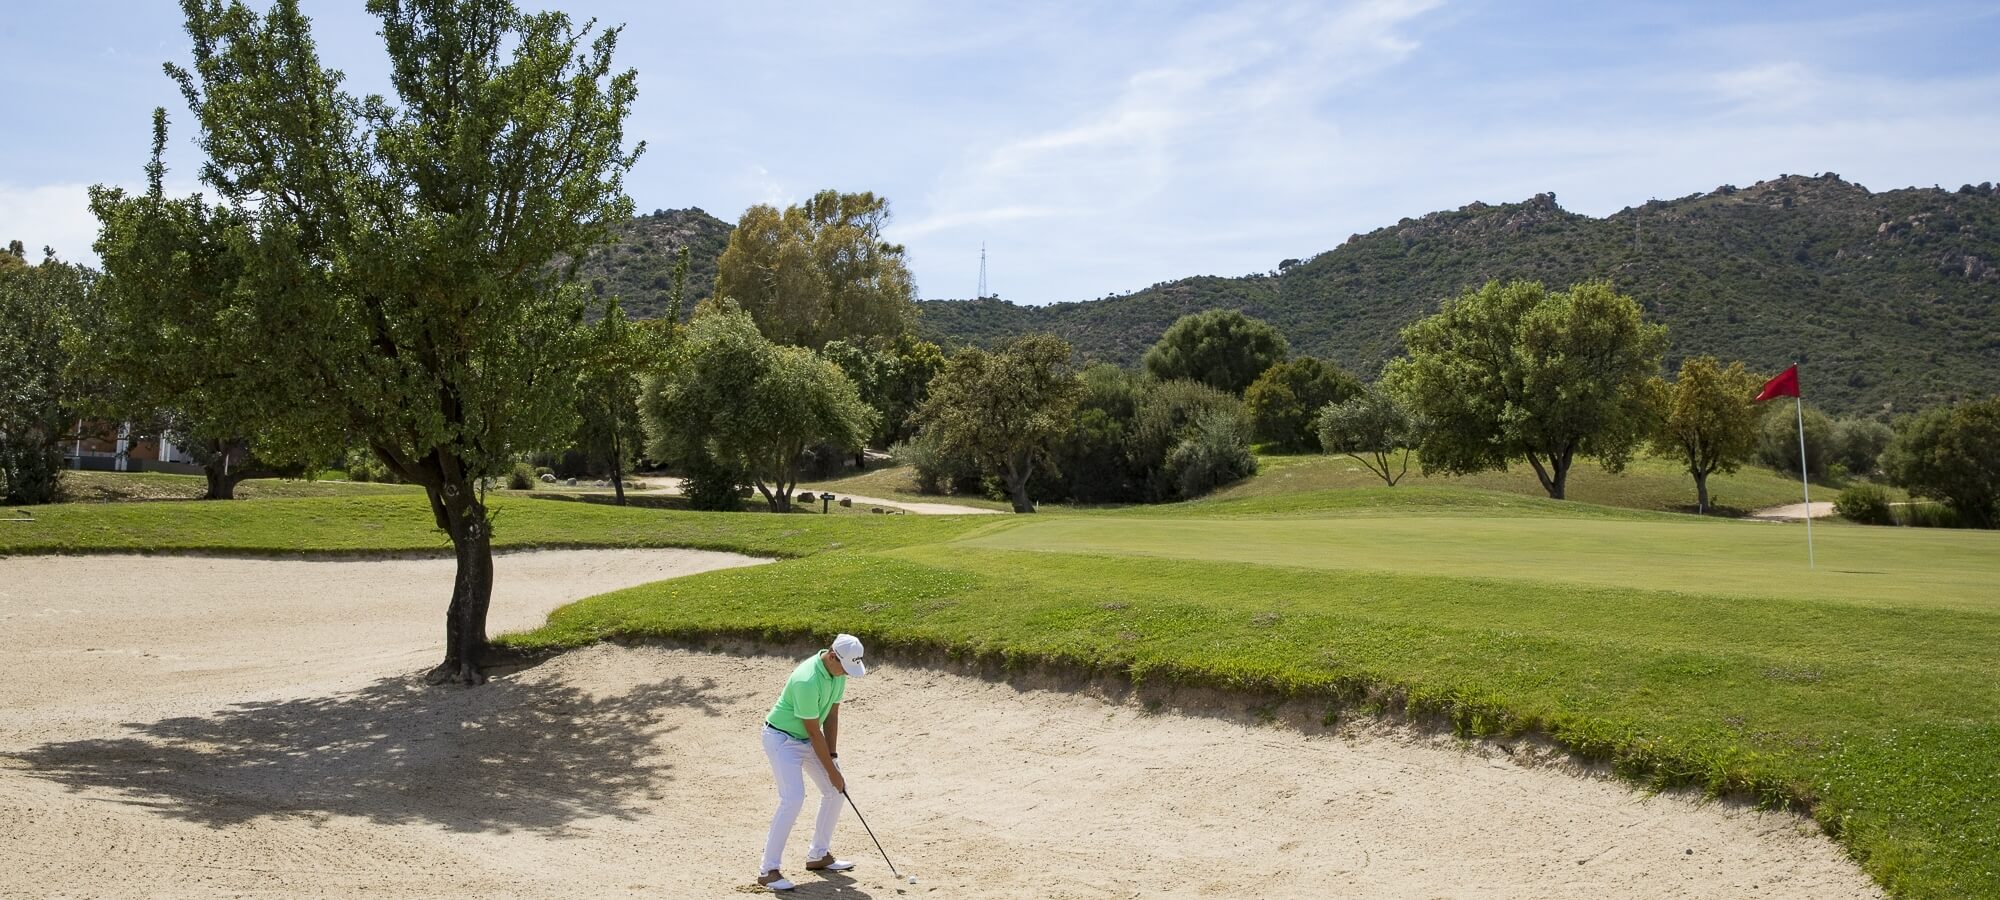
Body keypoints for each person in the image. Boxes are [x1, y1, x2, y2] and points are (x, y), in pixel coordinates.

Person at [757, 633, 867, 892]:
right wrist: (832, 772)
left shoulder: (837, 673)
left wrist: (833, 758)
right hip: (781, 740)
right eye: (845, 667)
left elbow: (831, 717)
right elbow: (813, 731)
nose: (847, 674)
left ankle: (818, 855)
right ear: (832, 656)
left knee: (835, 792)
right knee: (793, 798)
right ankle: (767, 871)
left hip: (806, 739)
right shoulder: (807, 679)